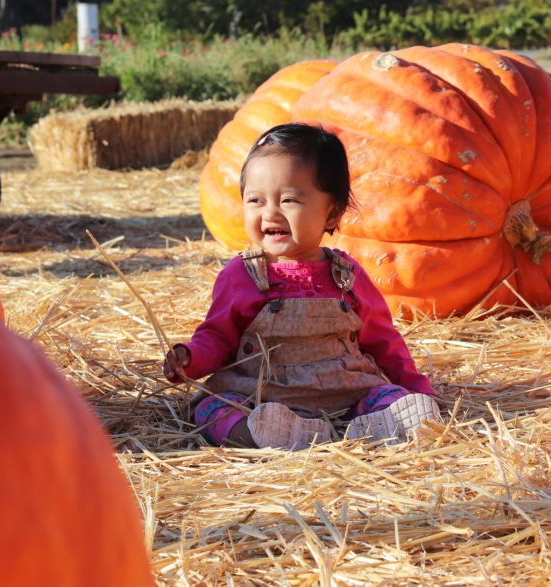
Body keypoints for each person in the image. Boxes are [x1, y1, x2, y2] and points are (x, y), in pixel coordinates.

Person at [164, 122, 440, 450]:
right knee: (211, 410)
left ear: (331, 213)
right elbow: (218, 337)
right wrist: (190, 360)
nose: (270, 213)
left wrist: (415, 388)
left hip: (346, 391)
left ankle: (381, 423)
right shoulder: (242, 275)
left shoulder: (347, 275)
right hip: (261, 394)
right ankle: (264, 434)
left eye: (289, 200)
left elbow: (382, 341)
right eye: (255, 200)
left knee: (389, 397)